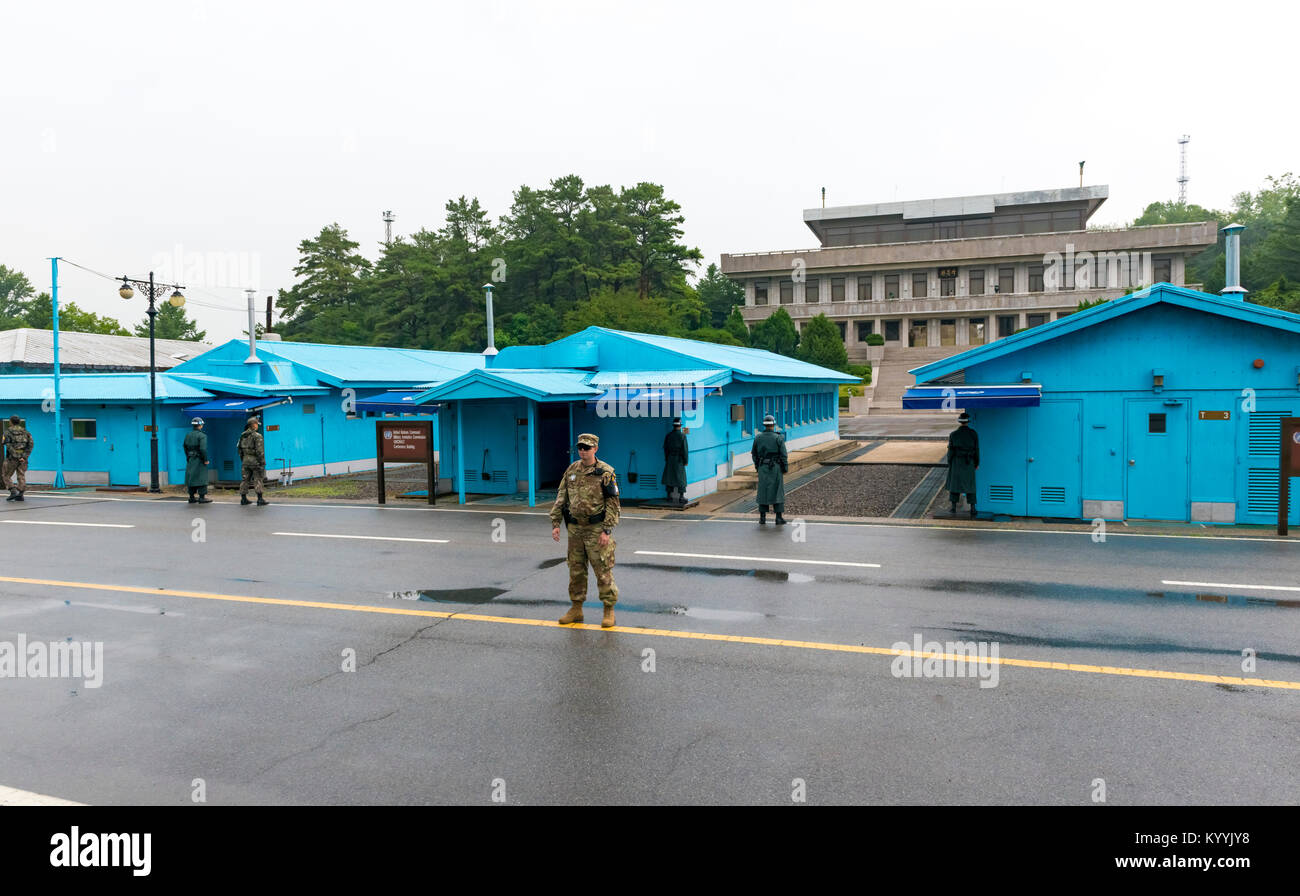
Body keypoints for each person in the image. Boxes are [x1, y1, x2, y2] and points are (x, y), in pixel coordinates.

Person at [550, 433, 621, 628]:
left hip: (596, 529)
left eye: (587, 447)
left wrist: (606, 531)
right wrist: (556, 523)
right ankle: (576, 608)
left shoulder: (605, 472)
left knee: (602, 570)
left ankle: (609, 610)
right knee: (576, 570)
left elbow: (613, 504)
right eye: (580, 447)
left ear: (595, 449)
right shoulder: (572, 469)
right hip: (575, 529)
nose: (583, 451)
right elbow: (561, 496)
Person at [751, 413, 788, 525]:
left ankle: (762, 518)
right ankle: (778, 517)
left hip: (763, 467)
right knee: (778, 491)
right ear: (774, 424)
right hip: (775, 467)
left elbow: (754, 454)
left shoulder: (758, 438)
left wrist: (758, 466)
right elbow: (783, 455)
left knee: (763, 491)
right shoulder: (778, 438)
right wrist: (785, 468)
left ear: (764, 425)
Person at [946, 412, 979, 518]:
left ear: (959, 422)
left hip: (957, 461)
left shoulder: (953, 434)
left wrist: (949, 462)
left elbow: (950, 451)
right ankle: (973, 508)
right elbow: (976, 450)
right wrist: (976, 463)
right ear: (968, 422)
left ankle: (953, 507)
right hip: (969, 462)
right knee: (970, 485)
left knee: (954, 484)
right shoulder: (973, 434)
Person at [237, 416, 268, 506]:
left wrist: (243, 459)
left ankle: (243, 499)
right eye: (256, 424)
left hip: (245, 461)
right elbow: (260, 451)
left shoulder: (242, 435)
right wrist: (262, 461)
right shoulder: (257, 436)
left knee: (245, 480)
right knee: (258, 479)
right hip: (255, 461)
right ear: (253, 425)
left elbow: (239, 449)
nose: (257, 426)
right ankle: (260, 499)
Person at [3, 415, 34, 502]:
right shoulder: (26, 432)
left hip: (11, 459)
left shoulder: (7, 432)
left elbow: (8, 446)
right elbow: (31, 445)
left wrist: (16, 456)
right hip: (23, 459)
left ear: (10, 422)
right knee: (21, 475)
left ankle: (13, 491)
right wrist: (23, 457)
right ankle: (20, 495)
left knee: (6, 475)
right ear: (19, 422)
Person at [183, 417, 212, 504]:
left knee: (191, 478)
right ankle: (202, 497)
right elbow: (203, 449)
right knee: (202, 478)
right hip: (199, 459)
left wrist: (188, 457)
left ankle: (191, 497)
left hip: (191, 459)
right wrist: (205, 459)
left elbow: (184, 446)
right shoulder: (202, 435)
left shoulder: (188, 435)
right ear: (200, 425)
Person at [662, 416, 689, 506]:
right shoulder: (682, 436)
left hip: (670, 458)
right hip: (679, 459)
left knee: (669, 477)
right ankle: (681, 496)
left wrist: (667, 458)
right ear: (680, 426)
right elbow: (684, 450)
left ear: (673, 426)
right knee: (681, 478)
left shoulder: (668, 435)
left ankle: (669, 496)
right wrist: (686, 460)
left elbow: (665, 448)